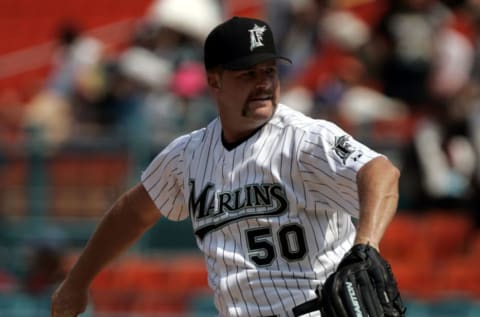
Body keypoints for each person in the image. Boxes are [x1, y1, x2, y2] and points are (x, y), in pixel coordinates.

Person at [51, 16, 402, 317]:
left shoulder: (305, 140)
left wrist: (366, 245)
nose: (264, 82)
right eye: (248, 74)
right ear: (214, 80)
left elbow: (381, 172)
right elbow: (133, 211)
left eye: (269, 70)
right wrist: (77, 281)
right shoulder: (187, 156)